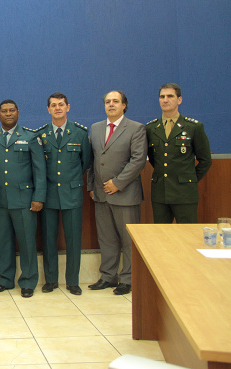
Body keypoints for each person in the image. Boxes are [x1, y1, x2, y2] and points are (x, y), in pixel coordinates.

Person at [87, 91, 147, 295]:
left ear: (124, 105)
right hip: (101, 194)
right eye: (107, 102)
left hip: (125, 194)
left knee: (128, 240)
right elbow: (92, 161)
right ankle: (108, 276)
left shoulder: (136, 128)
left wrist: (118, 183)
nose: (111, 104)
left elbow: (138, 160)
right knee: (107, 238)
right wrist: (91, 187)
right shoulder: (95, 129)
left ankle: (128, 279)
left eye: (115, 101)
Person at [0, 99, 46, 298]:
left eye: (12, 110)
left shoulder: (30, 137)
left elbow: (40, 170)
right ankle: (5, 279)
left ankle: (28, 281)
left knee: (27, 242)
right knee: (3, 242)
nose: (8, 113)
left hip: (24, 200)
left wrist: (39, 197)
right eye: (4, 111)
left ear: (18, 113)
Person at [38, 93, 91, 296]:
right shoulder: (41, 135)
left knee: (73, 239)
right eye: (53, 105)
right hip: (49, 194)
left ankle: (73, 281)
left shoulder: (79, 133)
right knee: (49, 239)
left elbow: (85, 162)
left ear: (68, 107)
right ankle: (51, 280)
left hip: (72, 193)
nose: (57, 108)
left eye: (61, 105)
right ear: (48, 109)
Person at [146, 83, 211, 224]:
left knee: (188, 236)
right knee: (162, 236)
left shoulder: (193, 127)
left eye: (170, 96)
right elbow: (153, 158)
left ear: (179, 100)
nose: (165, 100)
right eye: (162, 96)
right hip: (160, 193)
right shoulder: (151, 128)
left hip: (185, 193)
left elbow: (205, 160)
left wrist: (189, 179)